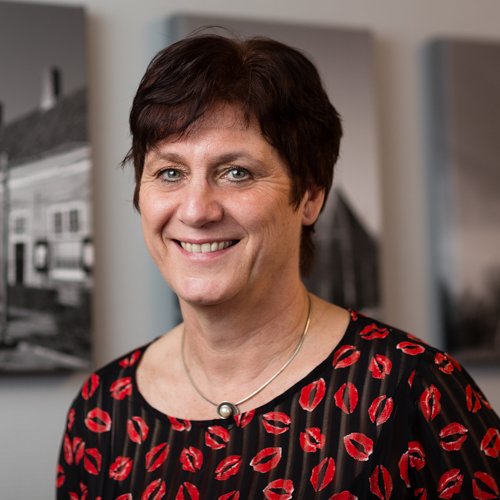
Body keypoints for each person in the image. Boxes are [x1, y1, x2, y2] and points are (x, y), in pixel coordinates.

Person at [57, 34, 500, 499]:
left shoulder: (415, 390)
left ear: (310, 196)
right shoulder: (102, 410)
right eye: (170, 172)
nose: (196, 210)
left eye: (236, 173)